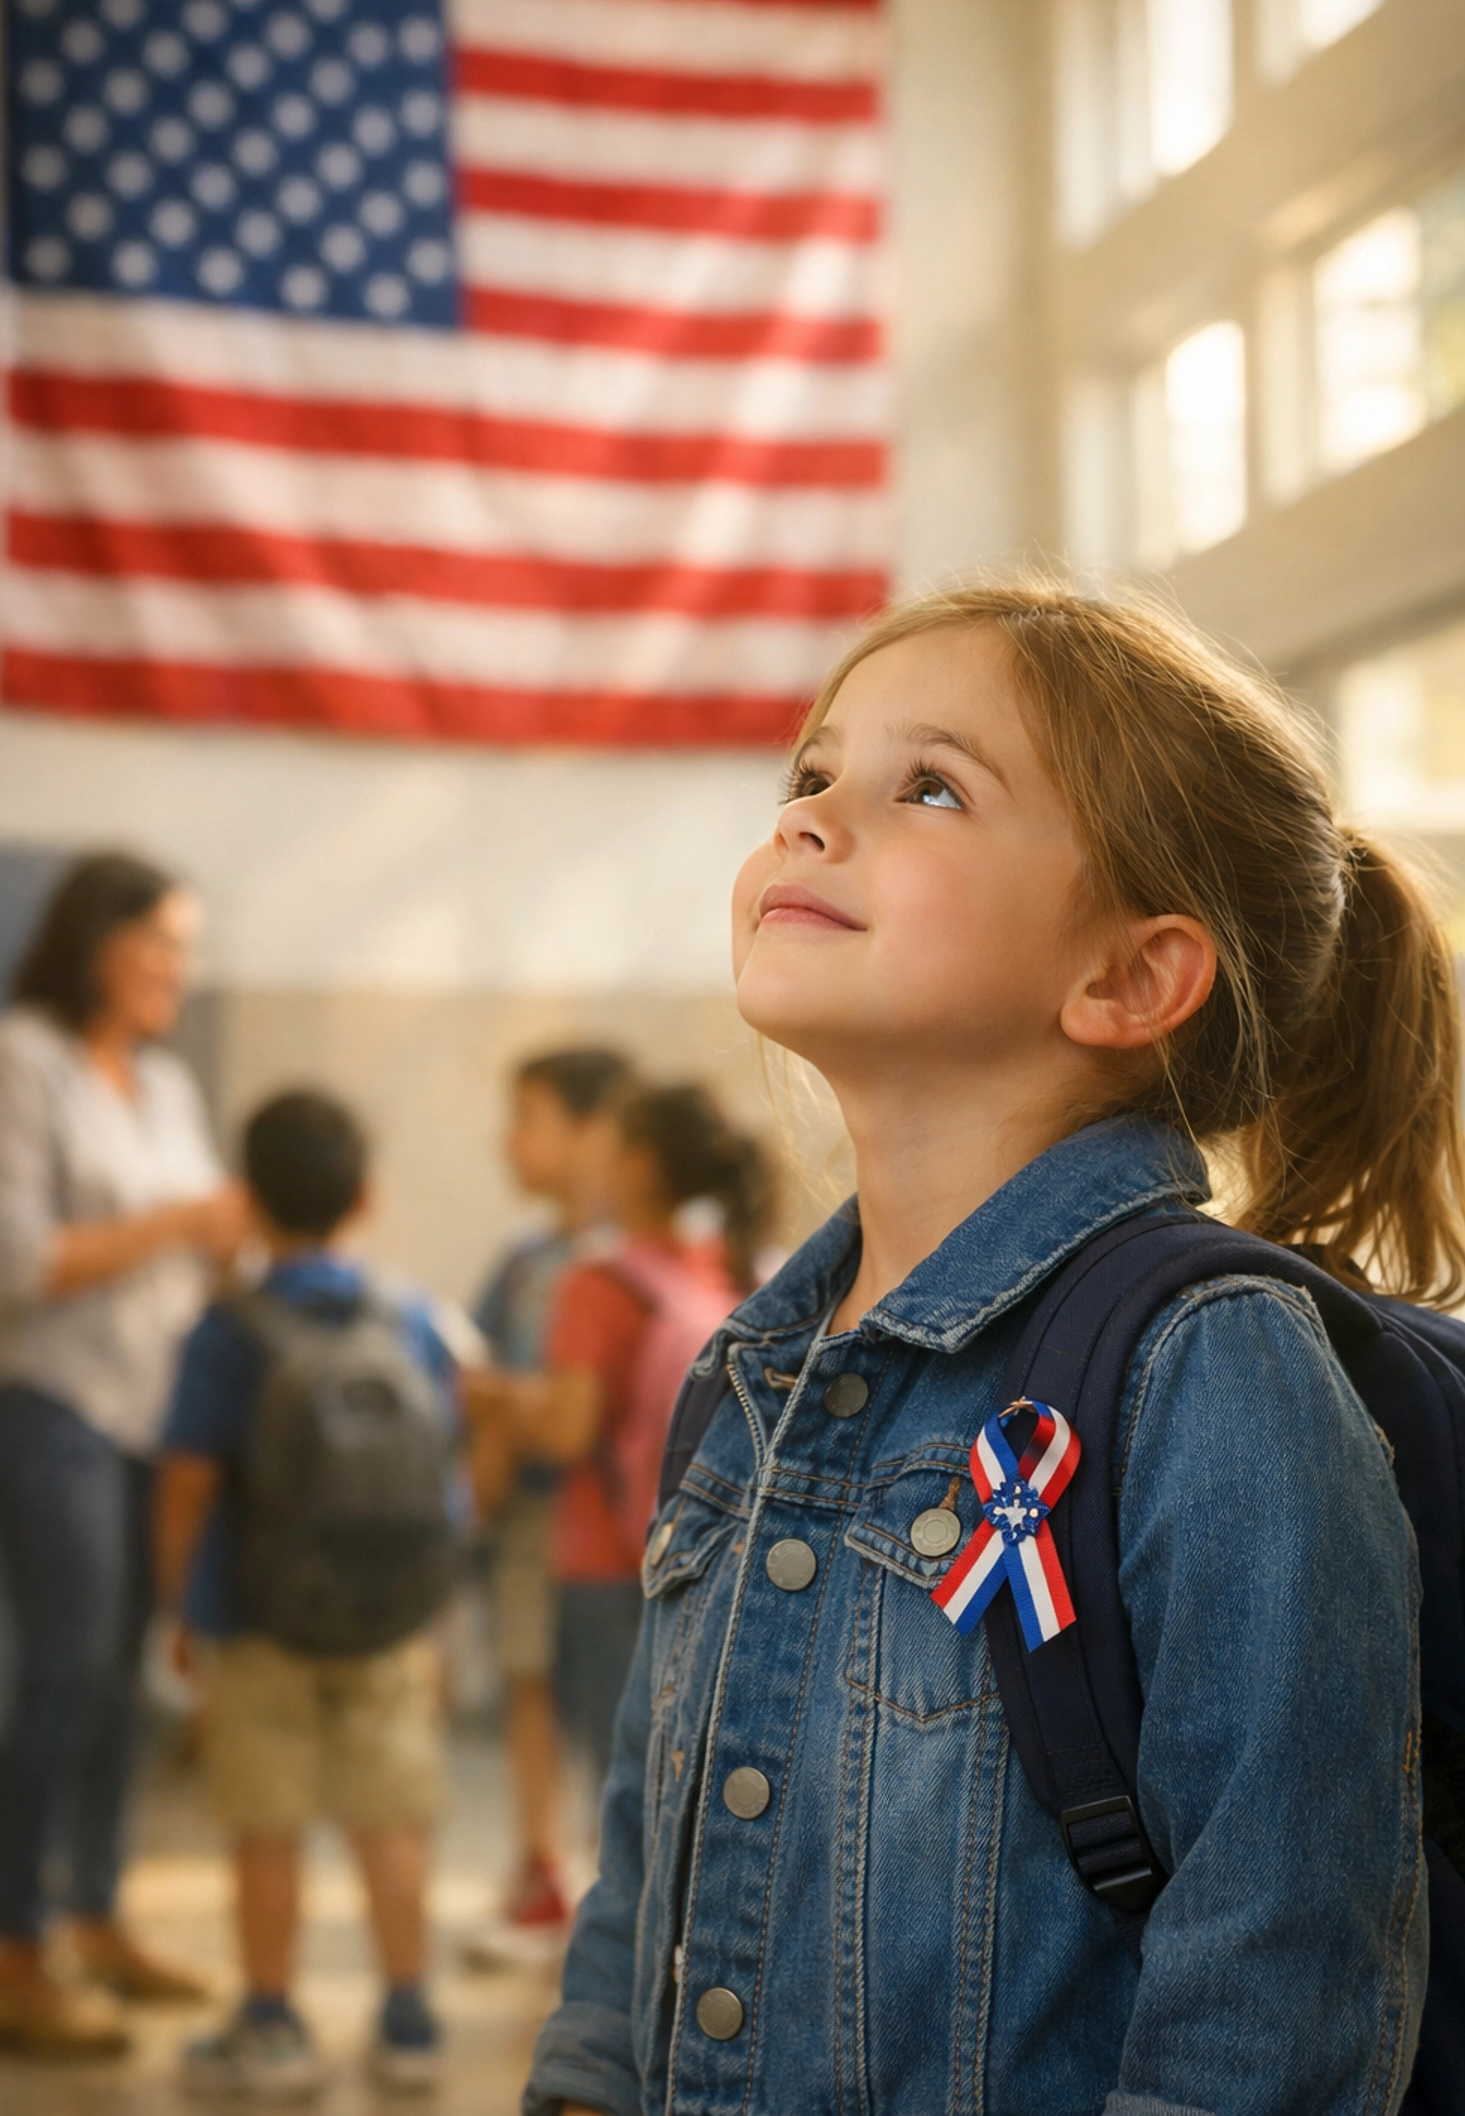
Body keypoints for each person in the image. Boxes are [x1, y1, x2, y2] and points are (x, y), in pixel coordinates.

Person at [526, 581, 1442, 2116]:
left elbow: (1273, 1996)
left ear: (1130, 978)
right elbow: (641, 1883)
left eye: (928, 787)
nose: (812, 820)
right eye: (809, 777)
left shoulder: (1212, 1371)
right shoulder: (748, 1380)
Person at [0, 850, 243, 2055]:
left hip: (143, 1408)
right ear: (95, 940)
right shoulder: (13, 1061)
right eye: (159, 942)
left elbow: (207, 1238)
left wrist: (229, 1245)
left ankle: (99, 1914)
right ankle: (16, 1953)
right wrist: (177, 1225)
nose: (178, 968)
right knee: (64, 1665)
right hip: (39, 1398)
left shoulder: (164, 1086)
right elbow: (17, 1262)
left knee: (123, 1677)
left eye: (187, 947)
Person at [155, 1089, 465, 2099]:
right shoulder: (410, 1316)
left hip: (258, 1621)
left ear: (245, 1200)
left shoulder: (227, 1331)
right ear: (366, 1197)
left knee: (267, 1825)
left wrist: (180, 1605)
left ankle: (274, 2019)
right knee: (391, 1819)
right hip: (389, 1622)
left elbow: (191, 1479)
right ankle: (409, 2013)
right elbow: (441, 1471)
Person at [505, 1084, 775, 1793]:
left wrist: (499, 1403)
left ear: (642, 1167)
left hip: (608, 1560)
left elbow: (568, 1431)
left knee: (624, 1787)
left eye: (614, 1146)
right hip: (719, 1551)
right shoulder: (734, 1266)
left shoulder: (599, 1282)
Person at [468, 1048, 635, 1937]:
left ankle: (614, 1874)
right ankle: (540, 1864)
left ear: (596, 1132)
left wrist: (517, 1404)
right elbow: (475, 1376)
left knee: (613, 1699)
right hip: (534, 1516)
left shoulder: (638, 1261)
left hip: (613, 1522)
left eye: (529, 1116)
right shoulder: (526, 1264)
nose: (512, 1139)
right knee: (527, 1674)